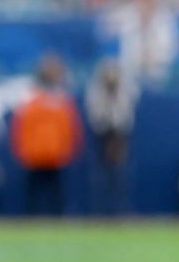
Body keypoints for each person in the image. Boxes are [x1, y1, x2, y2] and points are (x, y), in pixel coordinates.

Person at [12, 54, 81, 216]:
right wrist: (23, 151)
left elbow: (69, 128)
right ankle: (31, 223)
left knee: (56, 196)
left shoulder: (61, 97)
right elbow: (21, 127)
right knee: (33, 196)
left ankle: (59, 222)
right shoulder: (29, 96)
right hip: (34, 154)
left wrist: (68, 149)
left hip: (55, 154)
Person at [85, 59, 137, 216]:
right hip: (102, 134)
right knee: (101, 174)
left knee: (119, 174)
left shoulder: (125, 89)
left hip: (120, 134)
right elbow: (94, 113)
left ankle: (120, 209)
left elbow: (126, 112)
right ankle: (100, 210)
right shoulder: (96, 90)